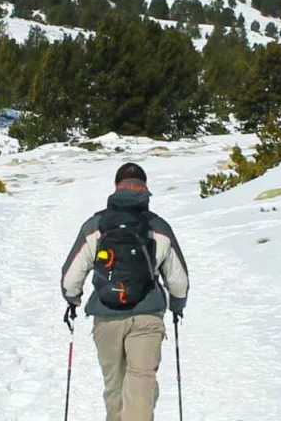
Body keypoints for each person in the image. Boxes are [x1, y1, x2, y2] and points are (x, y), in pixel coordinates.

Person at [59, 162, 189, 421]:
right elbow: (179, 280)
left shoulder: (96, 225)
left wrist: (72, 300)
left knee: (115, 385)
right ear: (145, 188)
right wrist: (177, 304)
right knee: (141, 384)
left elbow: (71, 277)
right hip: (147, 317)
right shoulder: (158, 227)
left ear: (116, 186)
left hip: (106, 318)